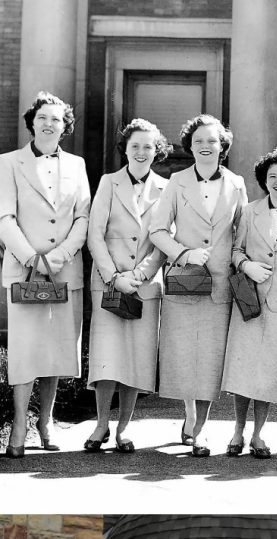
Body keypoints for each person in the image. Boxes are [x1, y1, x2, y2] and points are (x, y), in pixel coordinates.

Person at [150, 114, 247, 456]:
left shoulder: (236, 183)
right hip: (184, 282)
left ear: (223, 146)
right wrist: (184, 253)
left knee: (208, 359)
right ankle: (189, 415)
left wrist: (239, 263)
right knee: (182, 356)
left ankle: (201, 430)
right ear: (190, 147)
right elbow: (157, 231)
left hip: (219, 285)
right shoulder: (176, 182)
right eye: (199, 141)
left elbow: (241, 236)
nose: (206, 146)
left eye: (212, 140)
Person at [0, 91, 90, 458]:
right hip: (25, 271)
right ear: (32, 123)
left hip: (64, 270)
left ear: (65, 126)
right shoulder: (8, 163)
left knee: (55, 350)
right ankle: (19, 425)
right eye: (42, 118)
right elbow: (4, 217)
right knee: (25, 351)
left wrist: (61, 255)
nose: (49, 124)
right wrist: (31, 258)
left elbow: (83, 216)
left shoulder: (78, 164)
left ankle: (46, 421)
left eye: (56, 119)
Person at [221, 149, 277, 459]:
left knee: (270, 372)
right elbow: (235, 251)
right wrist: (247, 266)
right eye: (272, 176)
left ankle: (259, 434)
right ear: (264, 180)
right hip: (249, 301)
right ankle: (237, 430)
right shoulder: (248, 212)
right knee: (243, 368)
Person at [85, 119, 170, 453]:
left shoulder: (167, 188)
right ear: (126, 148)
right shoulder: (109, 182)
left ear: (157, 151)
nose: (141, 152)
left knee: (136, 359)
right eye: (135, 145)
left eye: (148, 146)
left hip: (144, 287)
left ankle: (124, 429)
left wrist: (140, 276)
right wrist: (114, 276)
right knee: (107, 358)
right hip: (109, 285)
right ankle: (101, 424)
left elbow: (164, 239)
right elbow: (94, 233)